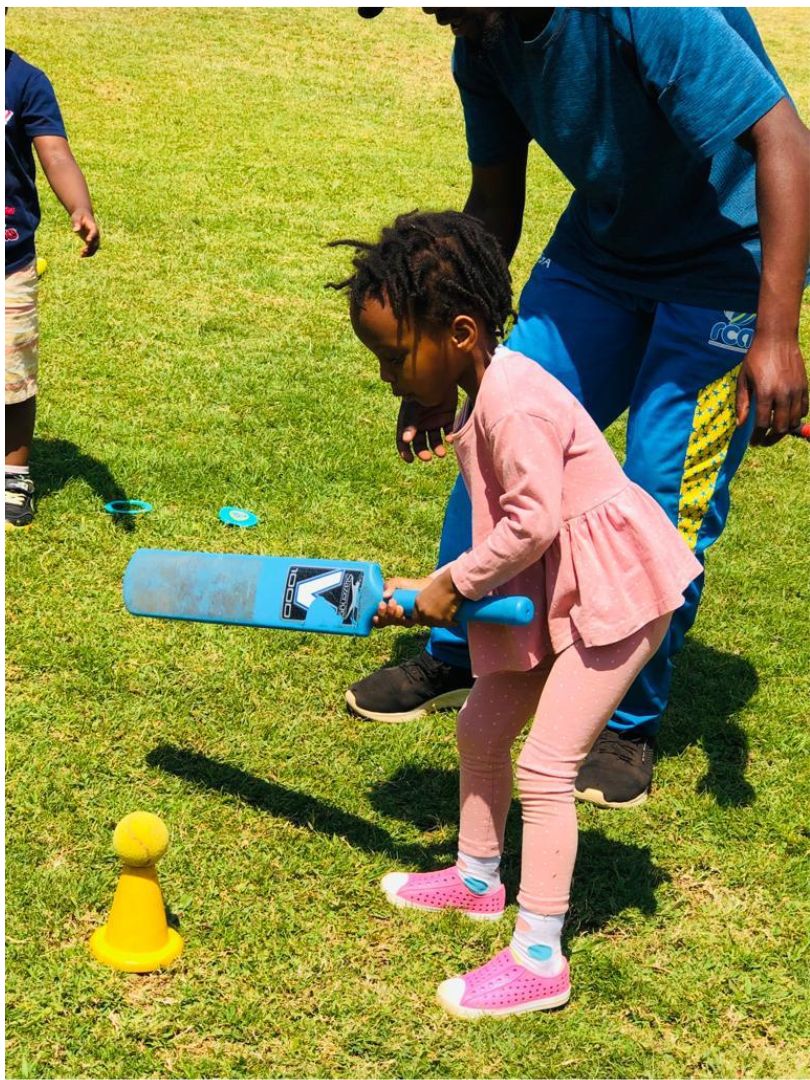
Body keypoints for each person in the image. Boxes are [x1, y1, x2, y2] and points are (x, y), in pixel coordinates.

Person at [348, 8, 810, 809]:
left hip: (725, 272)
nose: (430, 11)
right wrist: (441, 363)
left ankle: (626, 724)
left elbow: (785, 142)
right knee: (497, 430)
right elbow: (493, 201)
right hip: (601, 259)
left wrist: (775, 332)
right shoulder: (482, 42)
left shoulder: (645, 14)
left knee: (660, 496)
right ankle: (461, 651)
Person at [329, 209, 702, 1017]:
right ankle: (475, 878)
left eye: (395, 357)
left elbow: (530, 524)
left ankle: (539, 958)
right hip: (567, 586)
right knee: (480, 726)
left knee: (546, 766)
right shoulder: (487, 388)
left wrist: (453, 586)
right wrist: (435, 577)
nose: (388, 377)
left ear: (459, 333)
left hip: (616, 595)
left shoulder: (514, 404)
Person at [5, 46, 100, 528]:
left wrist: (79, 207)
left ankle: (13, 475)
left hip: (9, 260)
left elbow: (56, 153)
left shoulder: (24, 81)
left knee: (13, 374)